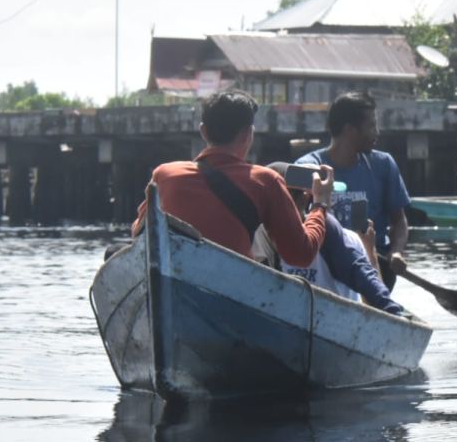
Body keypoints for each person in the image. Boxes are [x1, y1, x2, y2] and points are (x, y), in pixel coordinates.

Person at [131, 90, 330, 267]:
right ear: (248, 134)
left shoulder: (164, 174)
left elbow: (138, 232)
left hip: (173, 269)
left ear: (203, 131)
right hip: (235, 288)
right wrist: (319, 205)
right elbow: (301, 255)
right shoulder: (265, 181)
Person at [252, 163, 404, 316]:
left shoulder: (255, 233)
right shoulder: (347, 237)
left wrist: (369, 250)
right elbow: (371, 298)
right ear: (307, 199)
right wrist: (370, 252)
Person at [295, 92, 411, 289]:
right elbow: (294, 222)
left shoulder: (383, 164)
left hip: (373, 268)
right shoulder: (309, 167)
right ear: (349, 130)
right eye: (372, 126)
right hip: (326, 273)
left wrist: (396, 251)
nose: (378, 132)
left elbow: (399, 221)